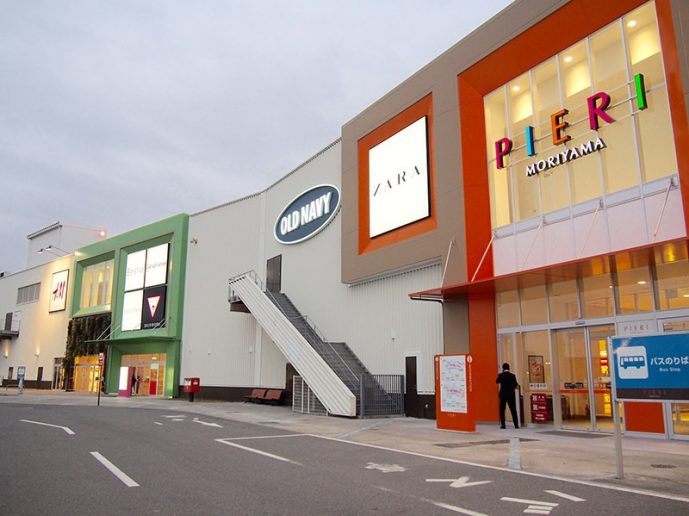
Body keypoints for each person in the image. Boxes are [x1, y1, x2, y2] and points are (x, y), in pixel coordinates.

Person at [496, 362, 519, 429]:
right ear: (509, 368)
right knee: (513, 410)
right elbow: (515, 384)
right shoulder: (512, 375)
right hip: (511, 394)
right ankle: (516, 425)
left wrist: (501, 374)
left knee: (502, 410)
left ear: (503, 368)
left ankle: (503, 425)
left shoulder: (501, 375)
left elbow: (497, 381)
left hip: (503, 394)